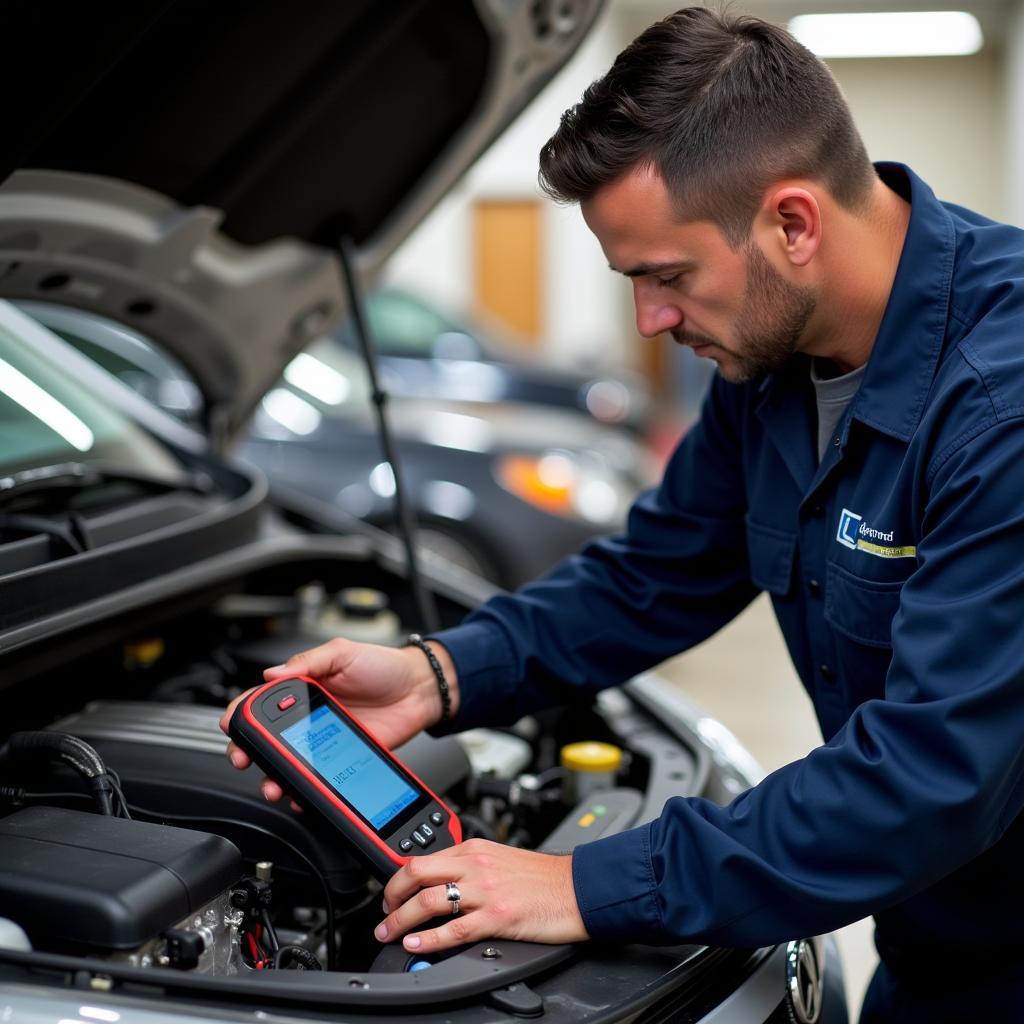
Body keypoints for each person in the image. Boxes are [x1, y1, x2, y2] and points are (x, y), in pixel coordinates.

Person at [222, 8, 1024, 1021]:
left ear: (792, 223)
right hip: (935, 937)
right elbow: (656, 570)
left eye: (666, 276)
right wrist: (440, 672)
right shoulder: (770, 360)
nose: (648, 320)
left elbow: (929, 775)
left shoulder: (1001, 410)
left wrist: (579, 884)